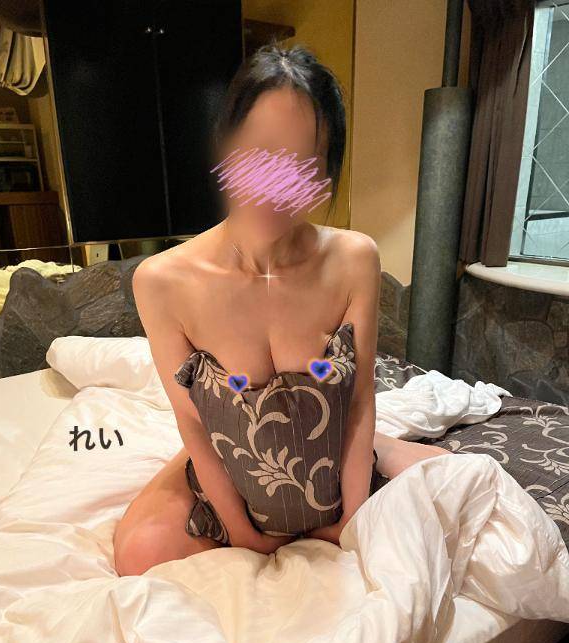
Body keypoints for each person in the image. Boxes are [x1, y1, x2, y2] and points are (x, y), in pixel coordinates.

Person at [113, 41, 449, 577]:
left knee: (458, 487)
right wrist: (245, 536)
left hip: (333, 446)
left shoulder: (354, 259)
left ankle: (382, 451)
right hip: (227, 455)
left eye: (303, 164)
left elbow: (359, 400)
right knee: (139, 554)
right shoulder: (162, 281)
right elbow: (194, 425)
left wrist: (353, 518)